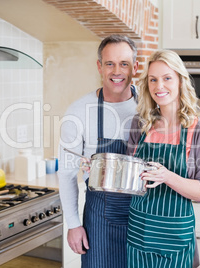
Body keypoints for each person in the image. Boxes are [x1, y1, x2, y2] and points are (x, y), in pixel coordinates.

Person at [126, 50, 200, 268]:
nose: (159, 86)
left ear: (180, 81)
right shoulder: (139, 124)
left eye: (167, 78)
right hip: (138, 234)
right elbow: (130, 177)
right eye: (153, 79)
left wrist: (167, 176)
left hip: (175, 239)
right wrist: (101, 169)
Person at [58, 35, 139, 267]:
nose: (117, 71)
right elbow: (65, 173)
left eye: (124, 63)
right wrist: (73, 224)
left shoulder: (149, 107)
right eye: (109, 63)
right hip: (100, 223)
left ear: (135, 66)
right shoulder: (78, 111)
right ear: (99, 66)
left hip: (145, 220)